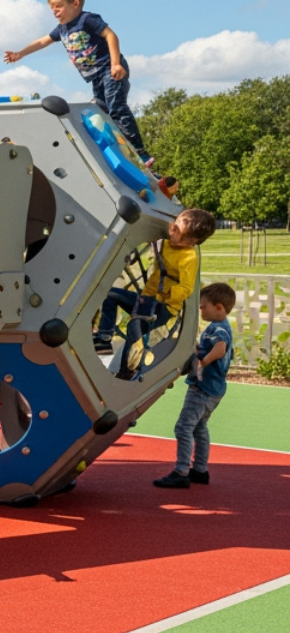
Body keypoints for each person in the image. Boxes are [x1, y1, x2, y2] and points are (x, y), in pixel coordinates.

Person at [3, 0, 152, 166]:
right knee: (100, 110)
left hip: (110, 69)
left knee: (116, 108)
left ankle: (140, 152)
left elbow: (111, 35)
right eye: (52, 9)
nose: (55, 12)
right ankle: (118, 149)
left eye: (59, 7)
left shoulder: (86, 19)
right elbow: (43, 41)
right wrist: (20, 53)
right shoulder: (61, 29)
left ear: (75, 3)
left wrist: (115, 64)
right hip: (95, 77)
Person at [92, 207, 216, 354]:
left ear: (193, 242)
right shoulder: (165, 243)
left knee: (134, 329)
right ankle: (104, 337)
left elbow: (186, 288)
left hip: (162, 306)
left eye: (182, 236)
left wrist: (167, 293)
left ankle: (128, 363)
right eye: (174, 227)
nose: (173, 232)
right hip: (146, 298)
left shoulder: (189, 257)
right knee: (110, 295)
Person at [155, 282, 235, 489]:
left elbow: (220, 348)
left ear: (218, 307)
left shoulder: (217, 329)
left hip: (202, 388)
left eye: (203, 307)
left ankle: (181, 471)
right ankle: (200, 469)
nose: (201, 311)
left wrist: (203, 362)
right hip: (214, 389)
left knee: (183, 428)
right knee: (199, 428)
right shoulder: (222, 327)